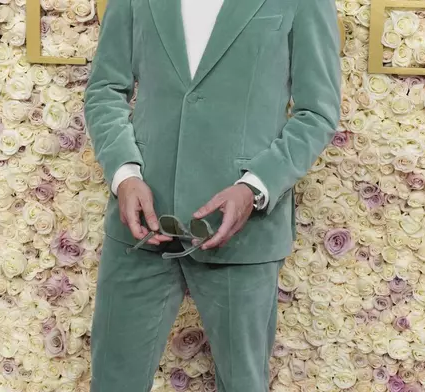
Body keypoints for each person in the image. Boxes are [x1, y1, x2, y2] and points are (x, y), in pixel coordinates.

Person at [84, 0, 341, 390]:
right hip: (140, 226)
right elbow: (105, 89)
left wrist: (253, 187)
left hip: (243, 233)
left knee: (243, 383)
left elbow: (317, 113)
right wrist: (124, 175)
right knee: (113, 381)